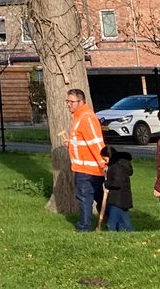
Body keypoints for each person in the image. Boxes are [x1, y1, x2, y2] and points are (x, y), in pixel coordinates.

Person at [65, 87, 107, 232]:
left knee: (84, 198)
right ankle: (110, 220)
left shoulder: (86, 117)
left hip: (89, 169)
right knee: (96, 197)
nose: (69, 104)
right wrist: (71, 144)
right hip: (84, 167)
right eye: (67, 101)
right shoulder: (79, 117)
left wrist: (103, 163)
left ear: (81, 102)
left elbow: (95, 143)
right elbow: (83, 141)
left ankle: (84, 227)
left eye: (72, 101)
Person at [103, 147, 134, 231]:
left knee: (111, 224)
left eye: (105, 159)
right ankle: (131, 236)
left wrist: (106, 183)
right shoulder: (122, 165)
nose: (104, 161)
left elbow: (117, 183)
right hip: (123, 198)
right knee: (125, 224)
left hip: (117, 200)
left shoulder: (116, 167)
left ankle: (111, 239)